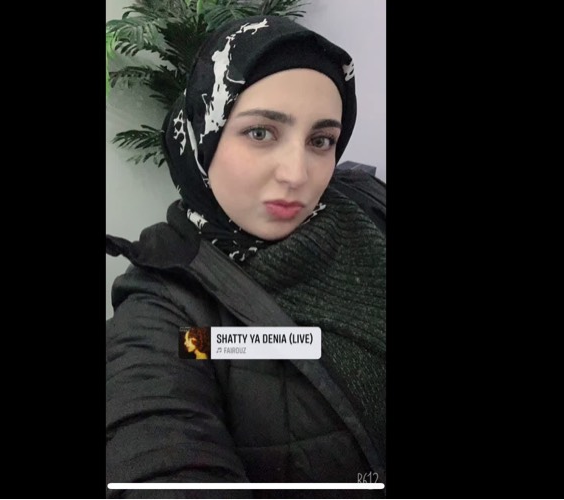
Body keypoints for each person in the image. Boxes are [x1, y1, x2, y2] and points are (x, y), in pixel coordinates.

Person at [106, 14, 385, 498]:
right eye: (260, 133)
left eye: (321, 141)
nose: (297, 174)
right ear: (204, 132)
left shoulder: (365, 201)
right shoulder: (163, 310)